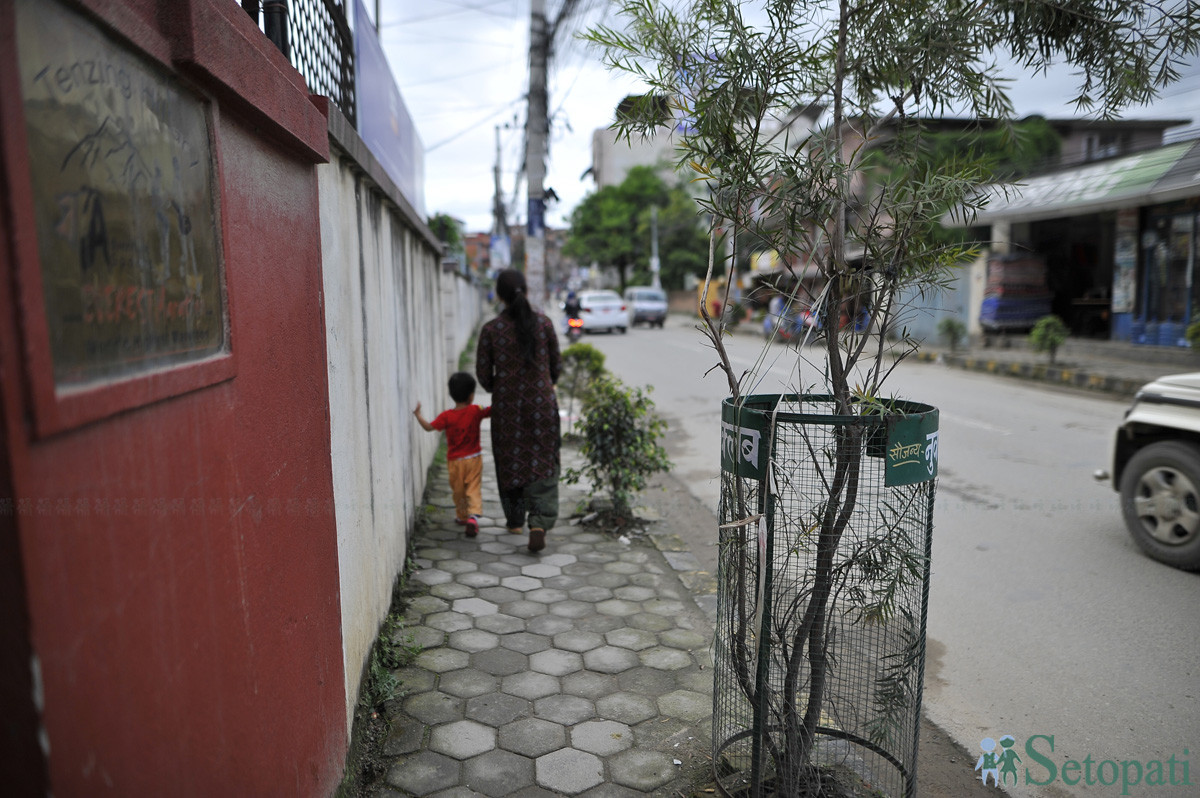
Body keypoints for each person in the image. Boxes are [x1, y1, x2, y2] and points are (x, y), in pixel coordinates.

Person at [476, 269, 562, 553]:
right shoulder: (545, 324)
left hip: (507, 410)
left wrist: (503, 386)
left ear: (499, 295)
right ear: (525, 290)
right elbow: (556, 368)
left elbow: (484, 377)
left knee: (509, 461)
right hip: (542, 406)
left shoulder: (491, 330)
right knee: (543, 462)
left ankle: (514, 520)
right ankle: (538, 523)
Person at [413, 372, 491, 538]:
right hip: (474, 458)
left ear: (451, 394)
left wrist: (418, 415)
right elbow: (493, 411)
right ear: (471, 396)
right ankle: (473, 516)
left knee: (458, 490)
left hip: (455, 461)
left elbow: (428, 427)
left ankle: (463, 516)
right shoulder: (476, 410)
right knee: (473, 488)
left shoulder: (446, 416)